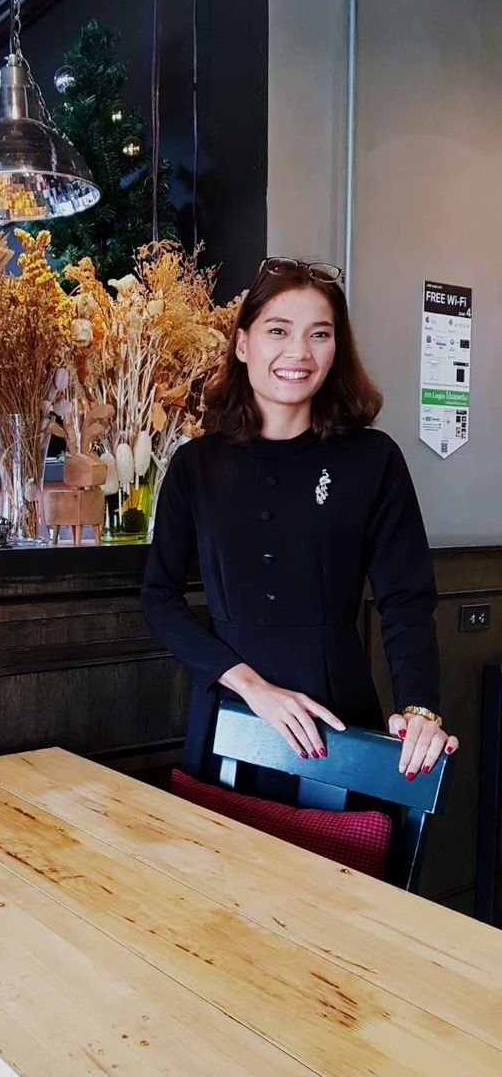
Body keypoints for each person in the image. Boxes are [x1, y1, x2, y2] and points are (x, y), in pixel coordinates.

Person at [141, 256, 458, 789]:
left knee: (339, 861)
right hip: (229, 710)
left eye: (320, 334)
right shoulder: (196, 465)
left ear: (336, 352)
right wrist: (250, 686)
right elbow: (160, 598)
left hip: (337, 712)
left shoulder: (372, 460)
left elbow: (406, 600)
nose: (298, 352)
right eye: (278, 331)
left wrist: (420, 709)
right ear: (243, 345)